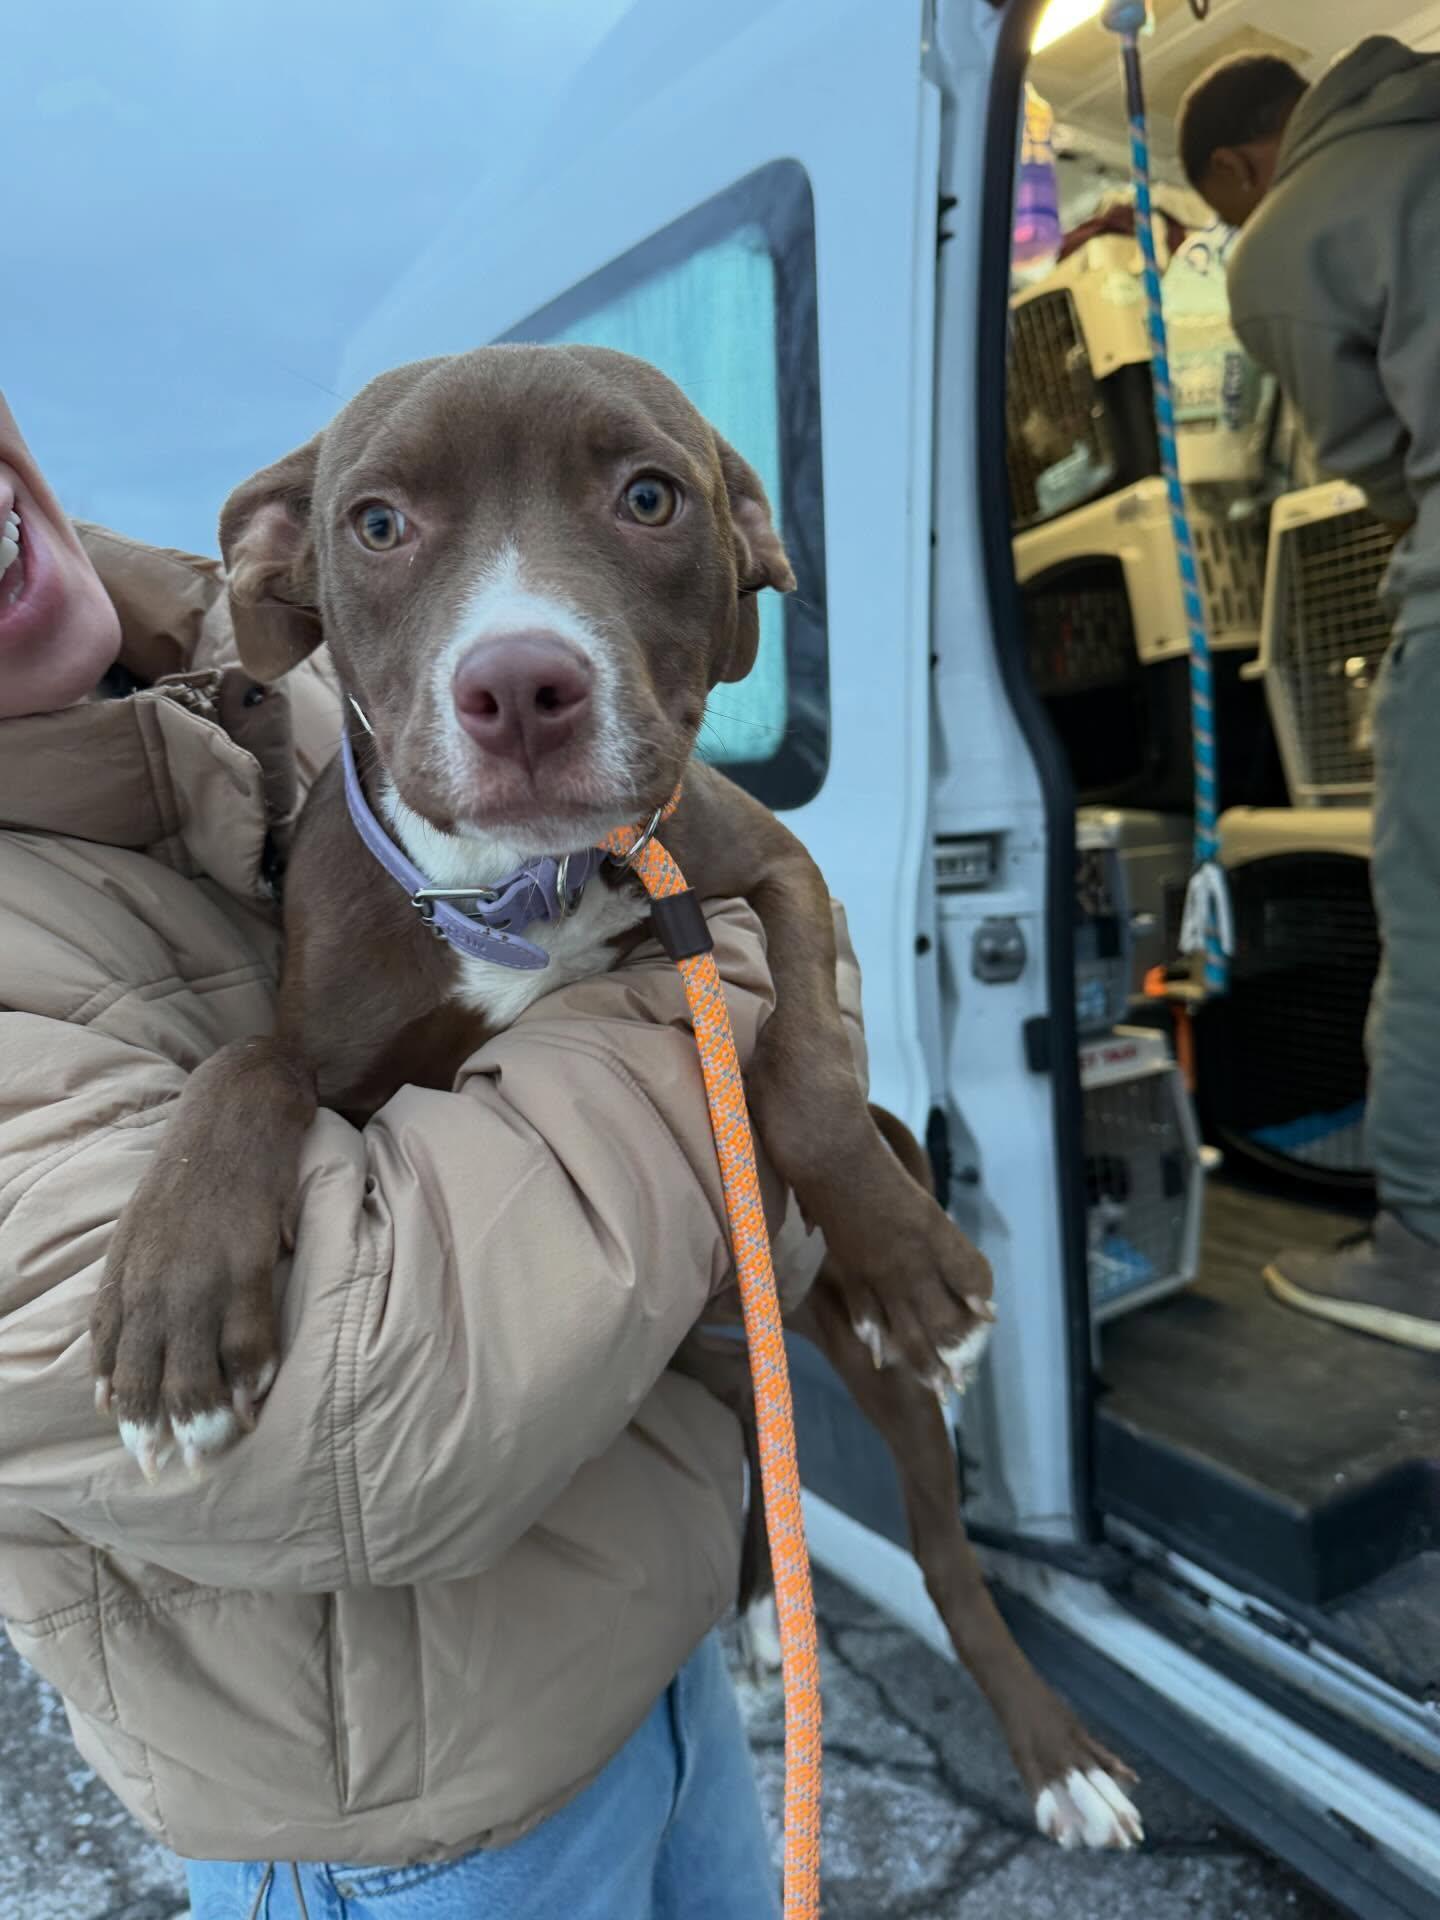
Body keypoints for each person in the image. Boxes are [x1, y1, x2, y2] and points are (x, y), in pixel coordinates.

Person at [0, 388, 866, 1917]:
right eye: (388, 526)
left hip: (656, 1670)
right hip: (413, 1838)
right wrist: (728, 1003)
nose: (513, 653)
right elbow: (381, 1407)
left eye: (647, 502)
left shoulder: (283, 676)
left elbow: (740, 1220)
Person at [1176, 38, 1440, 1349]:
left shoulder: (1290, 235)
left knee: (1431, 932)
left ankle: (1421, 1258)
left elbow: (1382, 479)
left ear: (1238, 169)